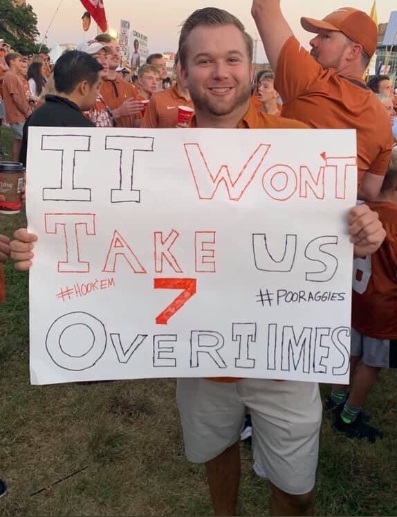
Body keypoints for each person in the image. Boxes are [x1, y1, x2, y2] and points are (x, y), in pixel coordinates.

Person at [10, 8, 387, 516]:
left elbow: (340, 225)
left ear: (251, 69)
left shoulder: (299, 146)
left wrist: (364, 230)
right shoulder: (153, 161)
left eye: (232, 58)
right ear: (183, 75)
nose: (219, 71)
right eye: (204, 60)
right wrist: (48, 249)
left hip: (284, 357)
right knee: (216, 453)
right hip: (199, 354)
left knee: (298, 492)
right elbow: (107, 238)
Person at [251, 3, 394, 202]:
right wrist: (331, 185)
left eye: (325, 36)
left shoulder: (310, 81)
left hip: (279, 208)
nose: (313, 41)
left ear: (352, 52)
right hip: (326, 227)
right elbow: (369, 191)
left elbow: (262, 7)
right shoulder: (383, 119)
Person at [332, 153, 397, 442]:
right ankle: (348, 415)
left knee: (351, 353)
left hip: (357, 299)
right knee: (371, 364)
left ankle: (335, 396)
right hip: (384, 309)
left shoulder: (361, 211)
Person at [19, 50, 103, 167]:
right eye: (97, 87)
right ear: (84, 87)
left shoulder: (36, 116)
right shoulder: (84, 129)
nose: (98, 93)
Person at [95, 33, 143, 127]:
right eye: (109, 50)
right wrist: (118, 112)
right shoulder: (92, 88)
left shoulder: (130, 88)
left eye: (117, 49)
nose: (115, 54)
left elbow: (137, 123)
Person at [141, 52, 193, 128]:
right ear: (174, 68)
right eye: (183, 63)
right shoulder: (157, 99)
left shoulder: (207, 102)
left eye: (192, 64)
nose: (186, 69)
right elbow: (145, 135)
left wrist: (192, 134)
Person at [2, 52, 32, 160]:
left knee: (18, 141)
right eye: (19, 61)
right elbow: (16, 97)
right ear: (12, 62)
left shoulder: (13, 76)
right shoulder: (10, 76)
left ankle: (15, 164)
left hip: (17, 115)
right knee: (27, 140)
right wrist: (25, 111)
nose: (21, 63)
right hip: (17, 115)